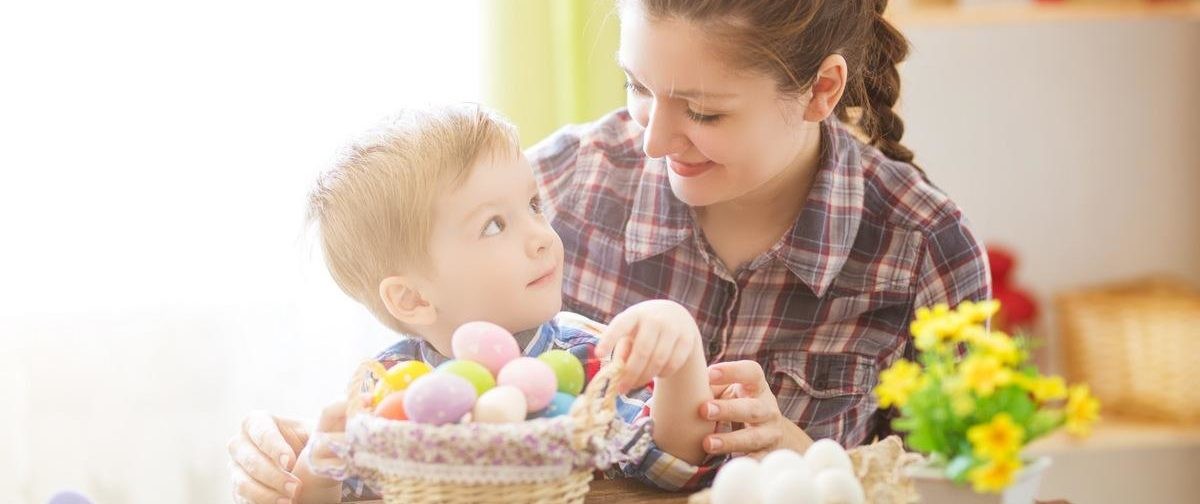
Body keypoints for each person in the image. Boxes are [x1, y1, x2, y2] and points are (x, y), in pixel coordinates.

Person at [229, 0, 990, 501]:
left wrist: (804, 462)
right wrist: (299, 461)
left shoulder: (923, 250)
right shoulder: (555, 183)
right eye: (637, 86)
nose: (652, 141)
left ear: (823, 90)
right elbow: (428, 380)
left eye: (703, 112)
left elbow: (958, 488)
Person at [278, 104, 714, 503]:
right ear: (413, 298)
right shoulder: (392, 388)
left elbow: (674, 469)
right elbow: (344, 494)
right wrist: (320, 470)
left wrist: (681, 354)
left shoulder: (588, 357)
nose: (541, 237)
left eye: (534, 205)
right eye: (494, 226)